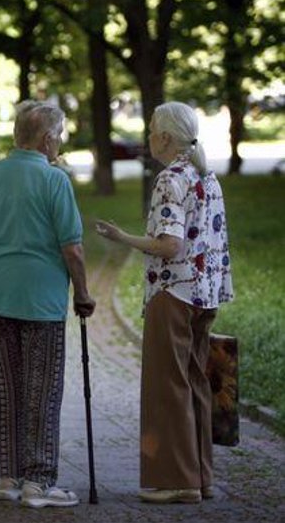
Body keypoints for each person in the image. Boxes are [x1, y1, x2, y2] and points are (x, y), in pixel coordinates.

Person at [96, 102, 233, 504]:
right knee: (194, 384)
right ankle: (200, 478)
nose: (149, 136)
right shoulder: (207, 178)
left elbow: (169, 245)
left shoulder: (170, 179)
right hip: (204, 294)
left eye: (152, 129)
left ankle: (177, 482)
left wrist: (122, 238)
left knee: (167, 387)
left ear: (167, 138)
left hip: (172, 292)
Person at [0, 100, 95, 508]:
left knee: (5, 388)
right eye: (60, 136)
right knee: (41, 390)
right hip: (41, 299)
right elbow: (72, 249)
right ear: (48, 138)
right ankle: (38, 483)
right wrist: (84, 294)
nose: (60, 144)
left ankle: (7, 478)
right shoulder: (55, 181)